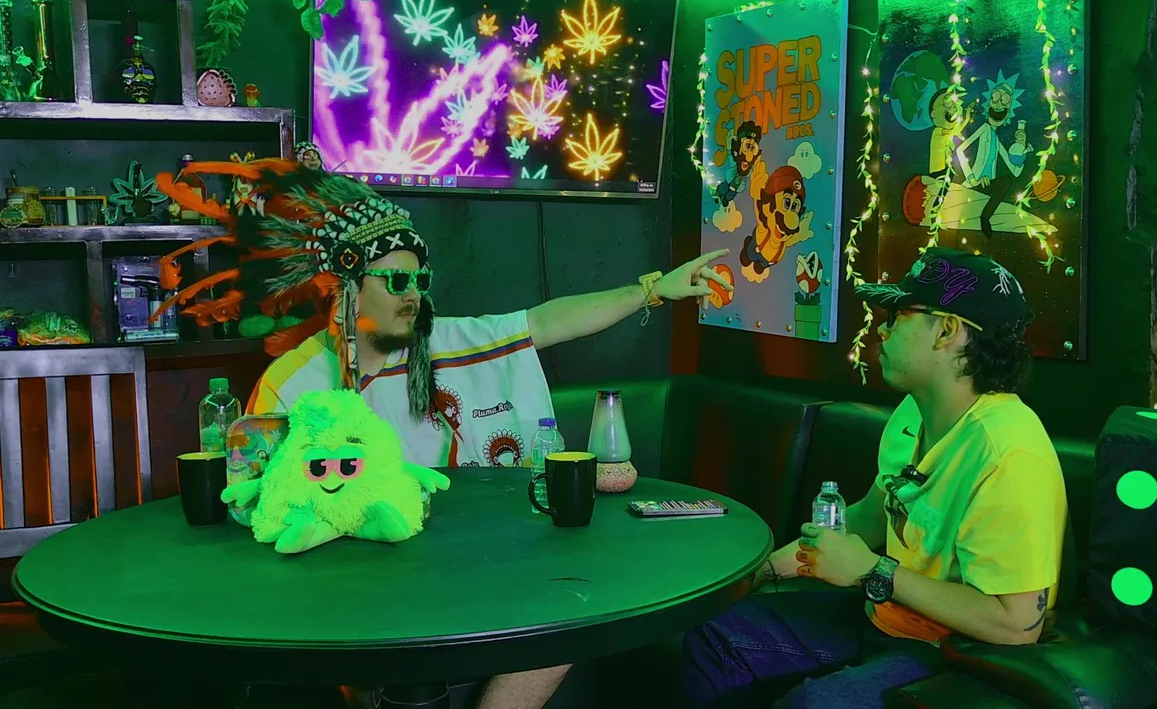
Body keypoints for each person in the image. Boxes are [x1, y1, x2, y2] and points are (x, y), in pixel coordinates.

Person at [150, 158, 730, 709]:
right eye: (397, 279)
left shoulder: (448, 342)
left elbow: (550, 321)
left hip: (470, 560)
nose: (415, 293)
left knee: (569, 608)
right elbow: (266, 507)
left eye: (420, 279)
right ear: (345, 286)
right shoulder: (293, 384)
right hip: (351, 581)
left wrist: (652, 290)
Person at [682, 247, 1067, 708]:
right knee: (713, 638)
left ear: (947, 330)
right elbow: (873, 513)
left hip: (954, 652)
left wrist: (873, 571)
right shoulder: (912, 413)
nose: (882, 330)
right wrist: (760, 572)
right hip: (883, 616)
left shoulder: (1009, 454)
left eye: (898, 315)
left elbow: (1016, 625)